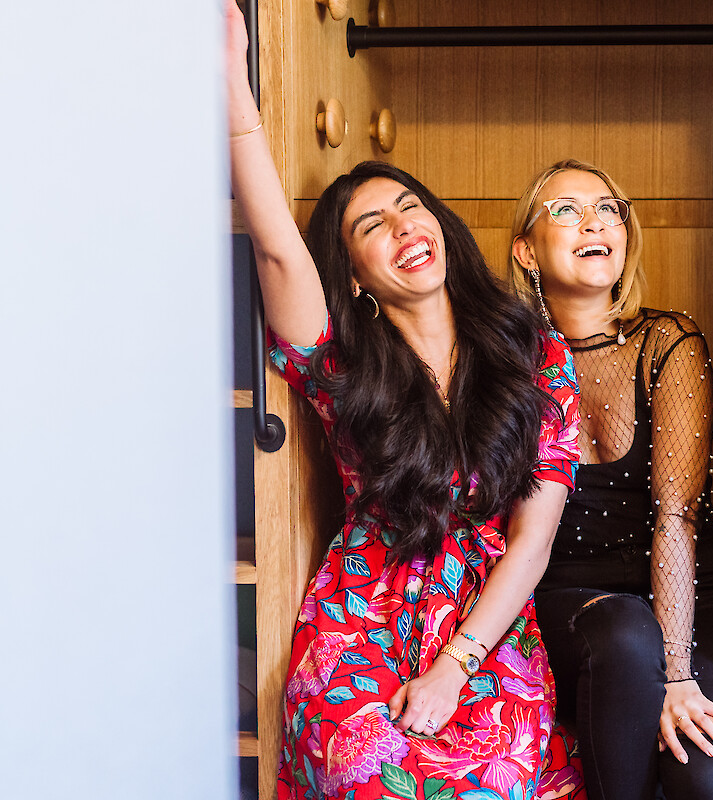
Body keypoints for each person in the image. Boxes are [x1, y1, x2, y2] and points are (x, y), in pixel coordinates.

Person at [224, 4, 585, 798]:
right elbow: (277, 243)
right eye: (371, 227)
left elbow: (531, 541)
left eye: (410, 208)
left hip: (485, 629)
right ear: (352, 274)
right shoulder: (344, 364)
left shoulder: (535, 351)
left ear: (443, 227)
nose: (402, 229)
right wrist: (230, 84)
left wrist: (456, 668)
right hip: (361, 620)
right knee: (370, 777)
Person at [510, 159, 713, 799]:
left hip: (691, 599)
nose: (595, 221)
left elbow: (676, 516)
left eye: (609, 208)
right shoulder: (506, 363)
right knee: (623, 632)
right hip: (570, 605)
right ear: (526, 251)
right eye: (566, 209)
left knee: (709, 768)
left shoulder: (668, 341)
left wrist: (677, 675)